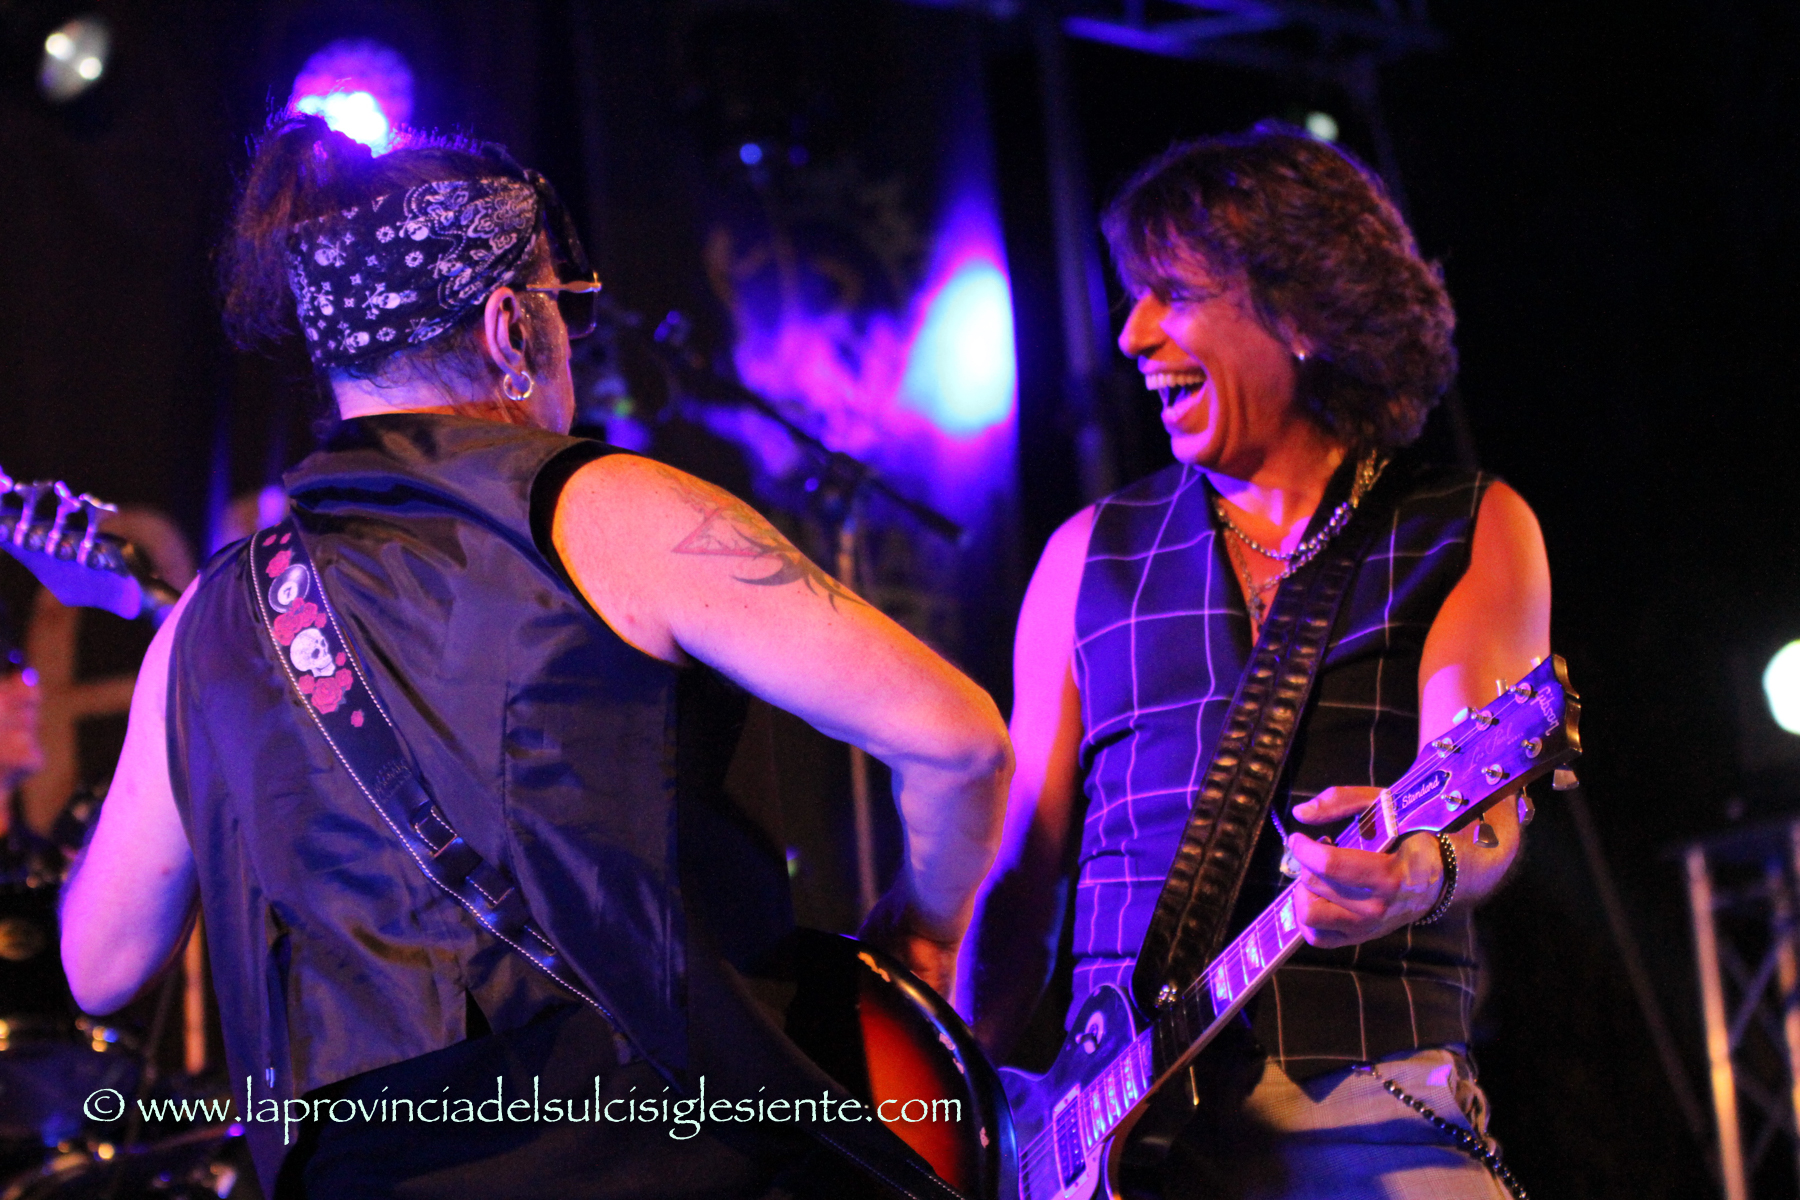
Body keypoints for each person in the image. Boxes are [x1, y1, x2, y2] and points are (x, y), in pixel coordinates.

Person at [60, 117, 1010, 1199]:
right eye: (568, 305)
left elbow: (100, 964)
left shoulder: (211, 612)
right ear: (513, 327)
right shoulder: (605, 511)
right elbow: (960, 741)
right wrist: (923, 941)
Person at [957, 123, 1550, 1199]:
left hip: (1369, 1096)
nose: (1133, 333)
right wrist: (955, 1123)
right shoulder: (1085, 556)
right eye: (1133, 296)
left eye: (1175, 294)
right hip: (1106, 1130)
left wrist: (1411, 876)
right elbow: (1018, 882)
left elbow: (1486, 811)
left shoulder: (1463, 527)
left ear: (1305, 310)